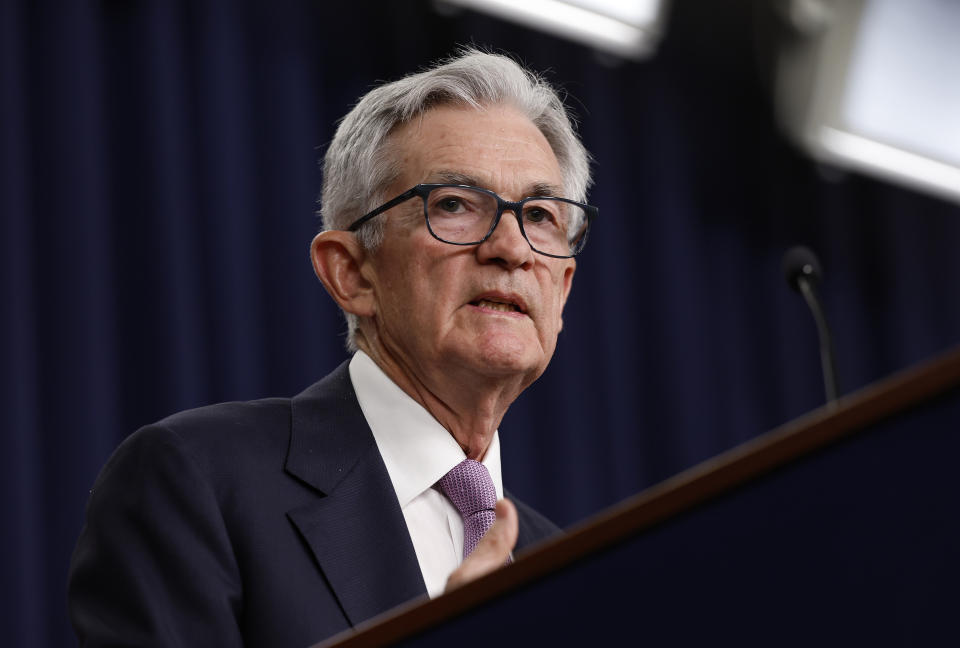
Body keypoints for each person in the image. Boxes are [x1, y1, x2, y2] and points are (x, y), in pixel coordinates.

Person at [68, 48, 596, 647]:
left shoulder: (568, 567)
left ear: (564, 285)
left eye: (540, 214)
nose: (512, 248)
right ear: (351, 272)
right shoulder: (197, 483)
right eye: (454, 205)